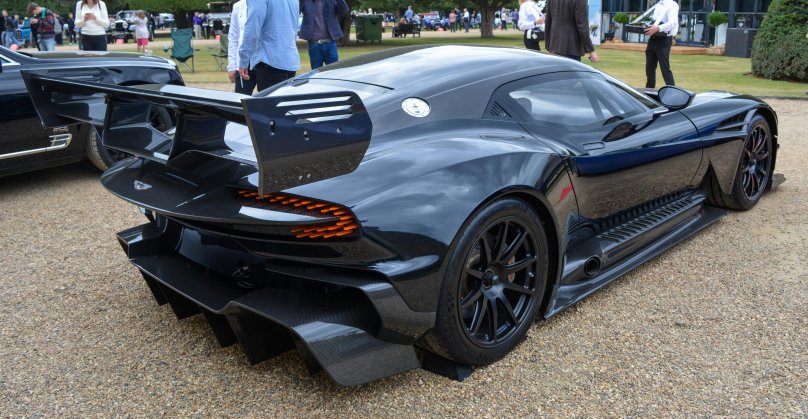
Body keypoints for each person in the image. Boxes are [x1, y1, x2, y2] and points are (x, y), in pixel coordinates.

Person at [238, 0, 300, 92]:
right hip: (290, 60)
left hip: (270, 61)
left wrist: (244, 60)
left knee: (269, 101)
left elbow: (252, 29)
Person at [299, 0, 350, 70]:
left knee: (334, 71)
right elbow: (297, 11)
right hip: (314, 45)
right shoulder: (306, 1)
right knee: (316, 72)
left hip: (331, 44)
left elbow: (344, 10)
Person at [643, 0, 679, 88]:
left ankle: (673, 91)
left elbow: (672, 23)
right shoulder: (658, 4)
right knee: (649, 68)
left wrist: (658, 28)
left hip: (664, 40)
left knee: (665, 68)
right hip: (653, 38)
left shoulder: (672, 5)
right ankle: (649, 90)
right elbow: (656, 21)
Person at [228, 0, 255, 95]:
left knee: (267, 100)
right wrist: (232, 66)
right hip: (243, 61)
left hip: (264, 61)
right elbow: (233, 37)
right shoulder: (238, 6)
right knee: (240, 99)